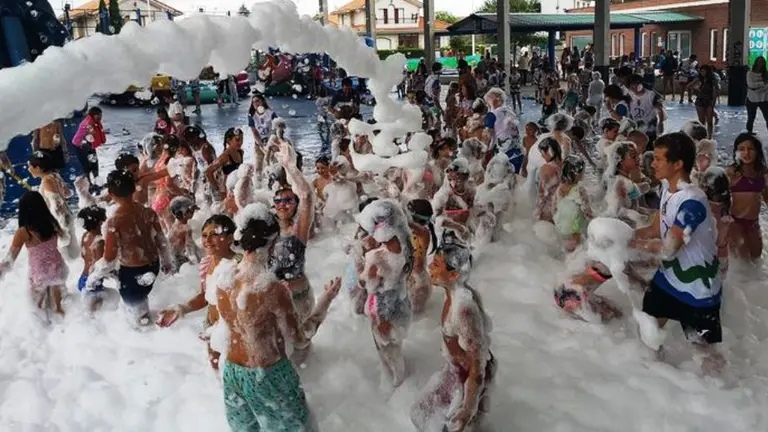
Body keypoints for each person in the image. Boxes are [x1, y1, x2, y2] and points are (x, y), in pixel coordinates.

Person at [213, 207, 340, 431]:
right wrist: (325, 301)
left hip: (233, 373)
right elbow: (300, 339)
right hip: (267, 375)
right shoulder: (271, 289)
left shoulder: (223, 280)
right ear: (272, 243)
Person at [631, 132, 724, 375]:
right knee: (648, 328)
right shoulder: (666, 187)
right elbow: (655, 228)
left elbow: (668, 248)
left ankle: (719, 396)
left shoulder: (692, 203)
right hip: (669, 279)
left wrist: (628, 246)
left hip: (699, 290)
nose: (652, 162)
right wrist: (624, 235)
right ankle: (652, 379)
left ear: (678, 164)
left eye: (659, 159)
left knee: (705, 353)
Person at [411, 234, 494, 431]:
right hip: (456, 370)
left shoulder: (464, 309)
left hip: (469, 378)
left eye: (437, 264)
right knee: (419, 414)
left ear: (454, 274)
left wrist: (467, 408)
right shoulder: (454, 294)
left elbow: (478, 365)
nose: (430, 266)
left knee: (450, 426)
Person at [157, 214, 240, 370]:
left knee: (234, 370)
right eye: (204, 235)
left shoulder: (240, 265)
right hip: (211, 325)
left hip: (233, 329)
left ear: (229, 238)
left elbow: (245, 305)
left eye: (215, 234)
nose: (207, 241)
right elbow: (205, 297)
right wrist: (182, 308)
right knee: (215, 366)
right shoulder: (207, 263)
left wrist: (223, 327)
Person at [95, 170, 172, 326]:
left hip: (133, 273)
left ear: (110, 193)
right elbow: (161, 240)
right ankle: (149, 325)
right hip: (153, 266)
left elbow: (109, 258)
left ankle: (142, 332)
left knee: (137, 314)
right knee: (142, 299)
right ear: (133, 188)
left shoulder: (114, 222)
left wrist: (96, 274)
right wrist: (166, 261)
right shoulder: (148, 212)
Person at [0, 191, 68, 319]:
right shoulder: (52, 222)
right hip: (58, 268)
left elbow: (10, 259)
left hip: (39, 274)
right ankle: (63, 331)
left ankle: (40, 334)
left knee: (36, 310)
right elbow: (65, 237)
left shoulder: (24, 232)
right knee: (59, 308)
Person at [270, 140, 316, 321]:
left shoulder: (297, 230)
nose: (282, 205)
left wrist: (290, 166)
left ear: (296, 205)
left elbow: (307, 195)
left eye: (289, 201)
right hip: (276, 299)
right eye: (278, 201)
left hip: (299, 298)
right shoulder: (268, 230)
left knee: (302, 347)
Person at [27, 151, 79, 259]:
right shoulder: (55, 175)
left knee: (65, 256)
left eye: (31, 166)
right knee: (73, 253)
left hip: (60, 222)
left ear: (39, 168)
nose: (29, 169)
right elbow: (68, 193)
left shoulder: (47, 181)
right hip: (68, 217)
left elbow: (57, 207)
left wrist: (61, 231)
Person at [725, 134, 768, 261]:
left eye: (750, 149)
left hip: (753, 223)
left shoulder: (763, 174)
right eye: (741, 149)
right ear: (736, 152)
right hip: (735, 222)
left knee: (756, 258)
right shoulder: (732, 173)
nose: (746, 153)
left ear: (757, 151)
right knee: (742, 257)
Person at [77, 205, 107, 312]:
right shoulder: (99, 241)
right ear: (100, 223)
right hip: (93, 282)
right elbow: (101, 265)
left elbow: (83, 255)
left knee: (90, 312)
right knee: (95, 314)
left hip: (83, 278)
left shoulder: (85, 236)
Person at [72, 106, 106, 187]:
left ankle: (97, 183)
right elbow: (88, 137)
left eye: (101, 115)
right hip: (81, 146)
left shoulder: (95, 121)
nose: (100, 117)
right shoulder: (88, 123)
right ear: (93, 115)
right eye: (98, 115)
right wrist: (90, 149)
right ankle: (89, 184)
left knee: (94, 163)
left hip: (88, 144)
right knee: (87, 165)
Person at [690, 65, 717, 138]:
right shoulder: (699, 78)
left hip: (709, 100)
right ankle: (703, 135)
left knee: (709, 121)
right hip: (700, 100)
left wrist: (713, 102)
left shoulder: (712, 80)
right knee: (702, 121)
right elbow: (689, 85)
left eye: (704, 71)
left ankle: (710, 136)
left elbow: (715, 91)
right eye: (701, 71)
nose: (702, 73)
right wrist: (696, 88)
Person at [746, 56, 768, 135]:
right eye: (759, 62)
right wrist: (763, 84)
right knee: (751, 117)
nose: (760, 64)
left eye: (762, 62)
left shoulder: (766, 74)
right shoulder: (750, 73)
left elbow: (766, 87)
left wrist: (758, 88)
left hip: (764, 99)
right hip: (752, 99)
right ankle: (749, 132)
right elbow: (751, 85)